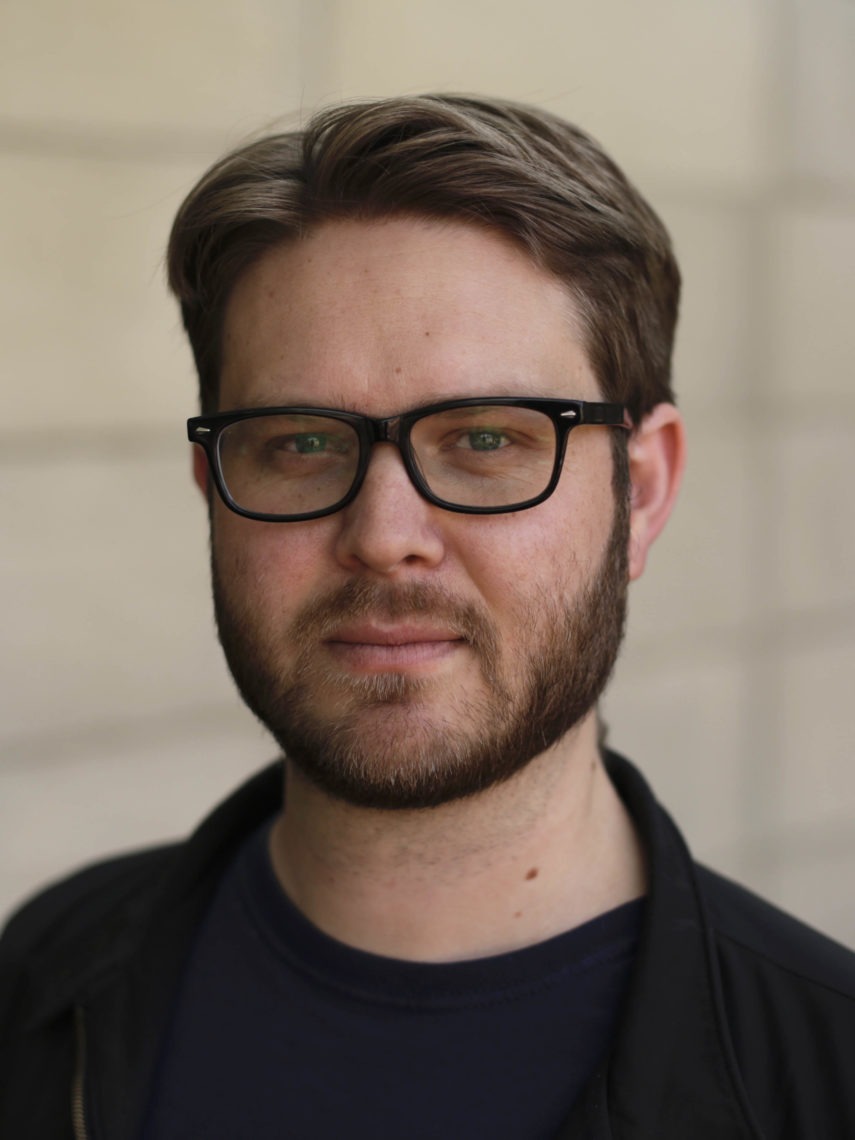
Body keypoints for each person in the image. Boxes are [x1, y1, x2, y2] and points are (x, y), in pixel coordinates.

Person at [1, 94, 853, 1140]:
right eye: (302, 442)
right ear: (214, 485)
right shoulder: (42, 977)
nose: (384, 533)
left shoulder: (827, 1081)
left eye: (488, 440)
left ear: (644, 491)